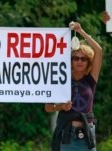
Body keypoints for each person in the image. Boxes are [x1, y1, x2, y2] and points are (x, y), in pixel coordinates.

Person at [45, 21, 102, 151]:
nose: (79, 61)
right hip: (67, 135)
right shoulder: (61, 79)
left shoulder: (90, 79)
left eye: (83, 59)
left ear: (88, 63)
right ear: (70, 61)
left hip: (87, 135)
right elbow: (47, 107)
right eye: (76, 58)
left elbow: (98, 51)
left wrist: (81, 31)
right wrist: (60, 107)